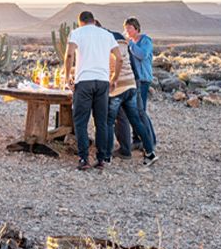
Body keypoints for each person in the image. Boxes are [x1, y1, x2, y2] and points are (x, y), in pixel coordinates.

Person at [63, 10, 122, 170]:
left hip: (84, 81)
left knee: (81, 122)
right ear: (94, 21)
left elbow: (69, 56)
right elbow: (120, 57)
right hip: (102, 81)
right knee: (101, 122)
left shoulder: (77, 33)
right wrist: (114, 79)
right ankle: (101, 158)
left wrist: (68, 76)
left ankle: (84, 159)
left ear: (80, 21)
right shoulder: (106, 35)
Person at [121, 17, 158, 165]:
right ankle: (137, 139)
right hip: (133, 80)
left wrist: (130, 44)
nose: (127, 31)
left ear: (136, 28)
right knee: (135, 110)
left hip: (143, 79)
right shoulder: (131, 43)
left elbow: (142, 55)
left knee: (141, 111)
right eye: (126, 28)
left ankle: (151, 140)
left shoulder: (145, 41)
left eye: (129, 28)